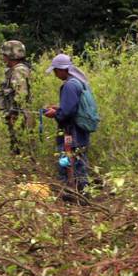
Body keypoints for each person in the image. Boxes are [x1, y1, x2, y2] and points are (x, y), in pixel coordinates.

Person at [44, 53, 91, 201]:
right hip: (80, 130)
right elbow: (72, 107)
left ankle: (75, 196)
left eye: (55, 71)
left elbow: (67, 113)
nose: (55, 74)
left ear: (61, 69)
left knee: (70, 162)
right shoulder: (79, 82)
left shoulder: (69, 85)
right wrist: (59, 108)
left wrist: (54, 113)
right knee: (79, 161)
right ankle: (82, 195)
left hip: (72, 131)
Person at [0, 40, 33, 155]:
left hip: (20, 117)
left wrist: (13, 114)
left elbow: (21, 96)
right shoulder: (20, 69)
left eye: (4, 55)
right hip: (20, 116)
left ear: (9, 55)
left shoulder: (18, 71)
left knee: (21, 150)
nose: (3, 58)